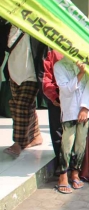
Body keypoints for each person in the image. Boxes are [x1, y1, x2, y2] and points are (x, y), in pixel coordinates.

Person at [2, 24, 48, 158]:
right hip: (14, 71)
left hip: (32, 74)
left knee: (22, 106)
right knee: (18, 105)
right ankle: (36, 136)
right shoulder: (7, 27)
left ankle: (18, 143)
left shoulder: (37, 25)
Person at [53, 59, 89, 194]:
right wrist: (81, 73)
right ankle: (63, 175)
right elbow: (65, 89)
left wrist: (85, 107)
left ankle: (75, 173)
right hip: (69, 110)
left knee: (80, 143)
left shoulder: (88, 63)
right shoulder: (59, 66)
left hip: (85, 110)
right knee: (68, 142)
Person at [42, 49, 64, 172]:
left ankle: (74, 167)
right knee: (57, 132)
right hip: (57, 99)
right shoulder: (54, 53)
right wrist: (53, 96)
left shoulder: (82, 51)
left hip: (76, 101)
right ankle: (61, 165)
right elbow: (47, 78)